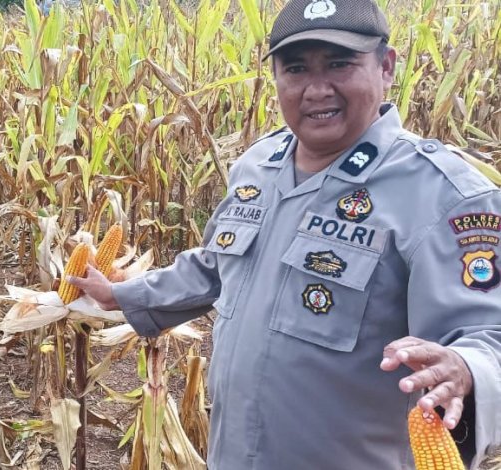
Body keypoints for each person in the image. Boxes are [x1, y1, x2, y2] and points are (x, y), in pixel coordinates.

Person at [68, 0, 500, 468]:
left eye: (339, 64)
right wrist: (122, 294)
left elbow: (487, 332)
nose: (316, 89)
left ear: (386, 66)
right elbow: (220, 265)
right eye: (296, 69)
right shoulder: (258, 164)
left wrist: (467, 369)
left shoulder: (444, 194)